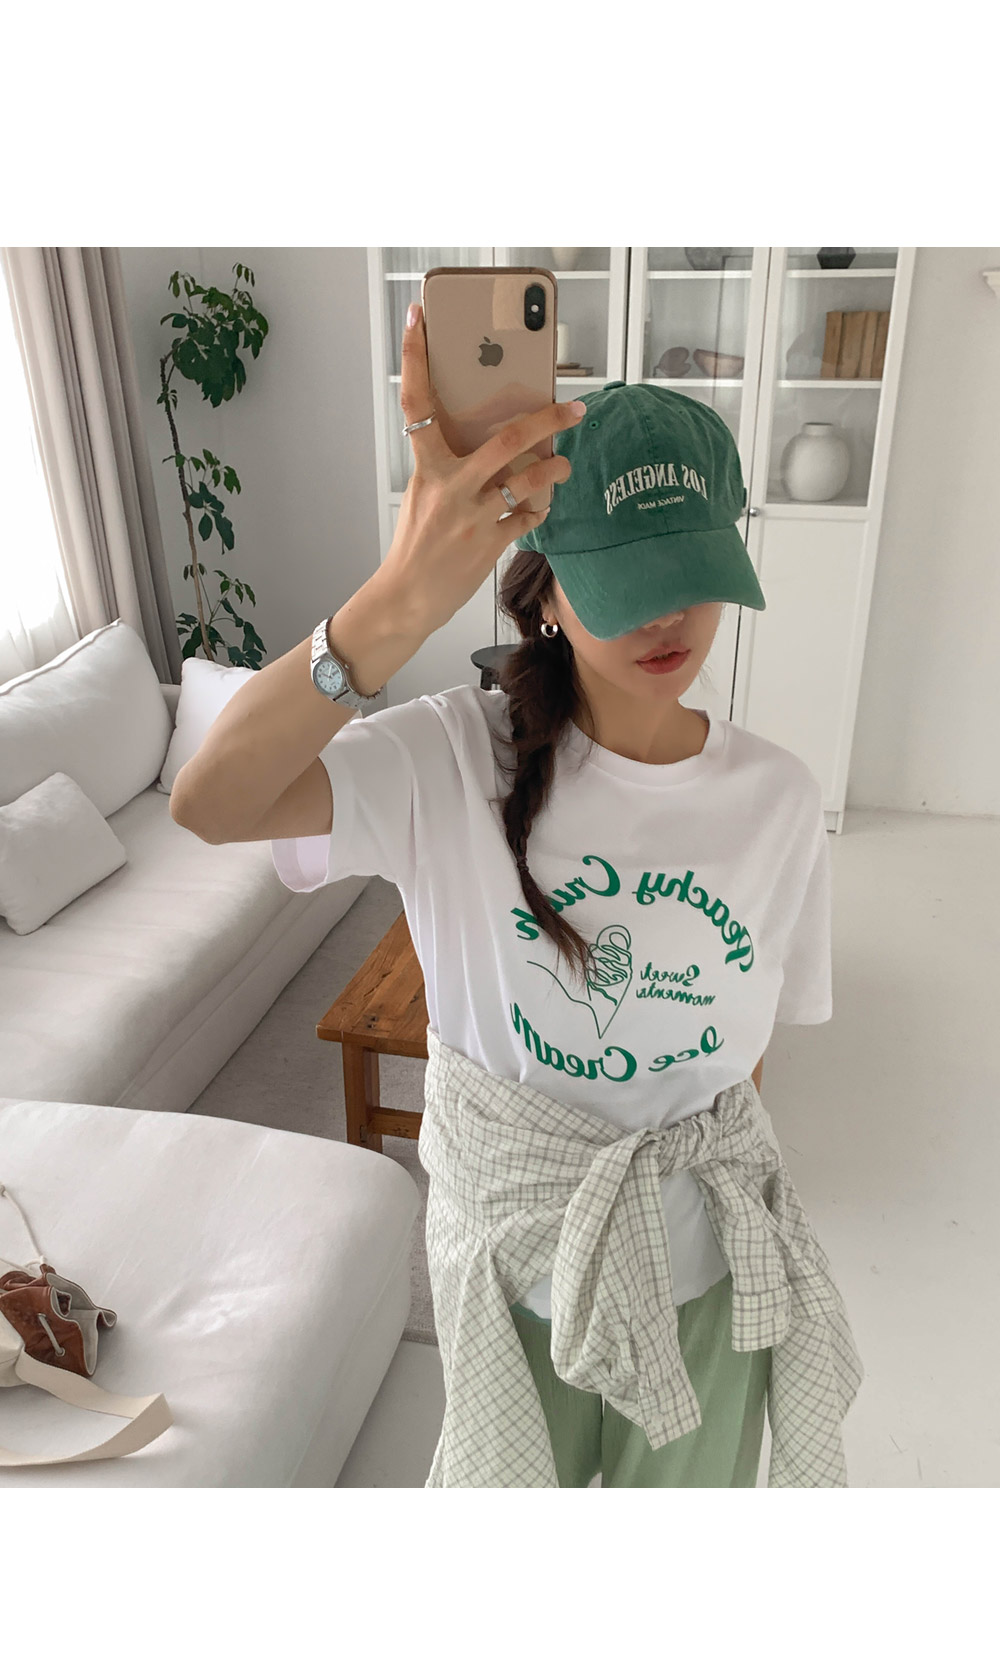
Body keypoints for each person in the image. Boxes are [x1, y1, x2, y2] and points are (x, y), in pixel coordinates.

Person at [171, 300, 863, 1489]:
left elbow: (741, 1068)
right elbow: (211, 800)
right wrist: (398, 595)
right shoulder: (447, 758)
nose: (667, 617)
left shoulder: (782, 798)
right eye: (627, 580)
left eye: (689, 574)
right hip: (513, 1283)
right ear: (541, 590)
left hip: (706, 1284)